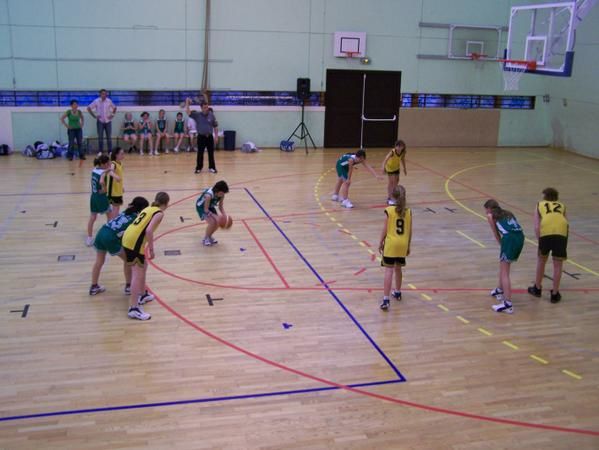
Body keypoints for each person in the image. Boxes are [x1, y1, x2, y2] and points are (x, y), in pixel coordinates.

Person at [122, 192, 170, 321]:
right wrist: (152, 249)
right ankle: (134, 308)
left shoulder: (149, 208)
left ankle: (143, 294)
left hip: (128, 236)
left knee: (143, 266)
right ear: (166, 203)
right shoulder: (159, 213)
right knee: (137, 273)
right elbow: (148, 231)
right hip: (135, 241)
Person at [89, 196, 149, 296]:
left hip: (102, 232)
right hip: (110, 238)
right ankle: (129, 286)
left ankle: (94, 286)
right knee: (129, 260)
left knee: (99, 261)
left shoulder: (126, 212)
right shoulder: (135, 219)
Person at [528, 187, 569, 303]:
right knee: (558, 265)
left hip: (546, 233)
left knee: (541, 261)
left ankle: (537, 288)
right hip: (561, 234)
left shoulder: (539, 205)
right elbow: (566, 223)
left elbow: (536, 226)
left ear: (545, 196)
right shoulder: (562, 206)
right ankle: (555, 294)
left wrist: (539, 240)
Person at [484, 199, 525, 314]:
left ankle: (508, 304)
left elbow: (496, 233)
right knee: (503, 267)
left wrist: (502, 245)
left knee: (504, 271)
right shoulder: (508, 213)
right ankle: (499, 289)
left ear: (489, 209)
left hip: (510, 239)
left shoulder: (490, 216)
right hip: (520, 237)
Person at [378, 185, 412, 310]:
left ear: (393, 196)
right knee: (398, 269)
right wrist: (408, 245)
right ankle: (397, 292)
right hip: (403, 243)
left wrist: (380, 242)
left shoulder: (389, 210)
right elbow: (410, 231)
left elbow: (385, 229)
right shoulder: (408, 211)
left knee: (389, 271)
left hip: (391, 244)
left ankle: (386, 299)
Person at [186, 98, 219, 173]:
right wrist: (187, 103)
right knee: (200, 153)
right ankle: (199, 168)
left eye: (207, 107)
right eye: (204, 107)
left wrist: (216, 136)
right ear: (201, 108)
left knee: (211, 153)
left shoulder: (211, 115)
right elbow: (188, 112)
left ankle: (212, 167)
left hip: (209, 137)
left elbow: (215, 126)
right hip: (201, 137)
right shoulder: (197, 115)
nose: (206, 109)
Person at [86, 155, 113, 246]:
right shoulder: (103, 174)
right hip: (101, 198)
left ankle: (89, 238)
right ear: (103, 164)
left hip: (93, 197)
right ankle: (110, 236)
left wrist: (107, 170)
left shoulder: (94, 170)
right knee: (110, 216)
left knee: (92, 218)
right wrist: (105, 187)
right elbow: (104, 190)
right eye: (108, 163)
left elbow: (103, 170)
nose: (109, 164)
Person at [195, 180, 229, 247]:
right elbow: (206, 209)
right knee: (212, 222)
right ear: (217, 190)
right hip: (202, 207)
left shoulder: (222, 195)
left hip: (210, 206)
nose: (223, 194)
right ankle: (206, 239)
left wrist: (225, 215)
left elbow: (220, 207)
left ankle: (209, 236)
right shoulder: (208, 195)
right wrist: (216, 217)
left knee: (218, 222)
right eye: (222, 193)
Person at [87, 89, 117, 155]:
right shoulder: (96, 101)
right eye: (103, 94)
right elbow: (88, 108)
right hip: (100, 121)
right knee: (100, 137)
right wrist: (94, 116)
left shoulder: (109, 101)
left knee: (109, 137)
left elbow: (115, 108)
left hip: (108, 121)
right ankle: (100, 151)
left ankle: (110, 151)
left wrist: (112, 115)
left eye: (105, 94)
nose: (104, 95)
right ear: (100, 94)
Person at [381, 140, 407, 205]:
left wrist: (404, 168)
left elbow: (403, 160)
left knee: (397, 181)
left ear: (403, 147)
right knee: (391, 182)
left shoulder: (403, 152)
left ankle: (394, 194)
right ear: (395, 146)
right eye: (397, 146)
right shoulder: (392, 152)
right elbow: (385, 159)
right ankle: (389, 198)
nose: (398, 148)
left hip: (396, 168)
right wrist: (383, 167)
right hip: (390, 168)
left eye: (400, 146)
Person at [106, 147, 125, 220]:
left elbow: (120, 176)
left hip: (118, 190)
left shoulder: (120, 163)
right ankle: (112, 224)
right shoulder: (113, 163)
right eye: (121, 154)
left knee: (117, 208)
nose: (123, 155)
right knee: (115, 209)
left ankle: (113, 222)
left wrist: (121, 187)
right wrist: (116, 176)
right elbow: (110, 171)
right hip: (113, 191)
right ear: (116, 155)